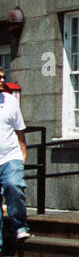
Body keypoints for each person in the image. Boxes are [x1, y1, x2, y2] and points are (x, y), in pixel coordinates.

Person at [0, 80, 30, 247]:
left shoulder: (10, 101)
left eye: (3, 76)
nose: (2, 80)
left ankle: (19, 226)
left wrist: (22, 154)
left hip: (10, 156)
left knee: (14, 185)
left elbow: (20, 130)